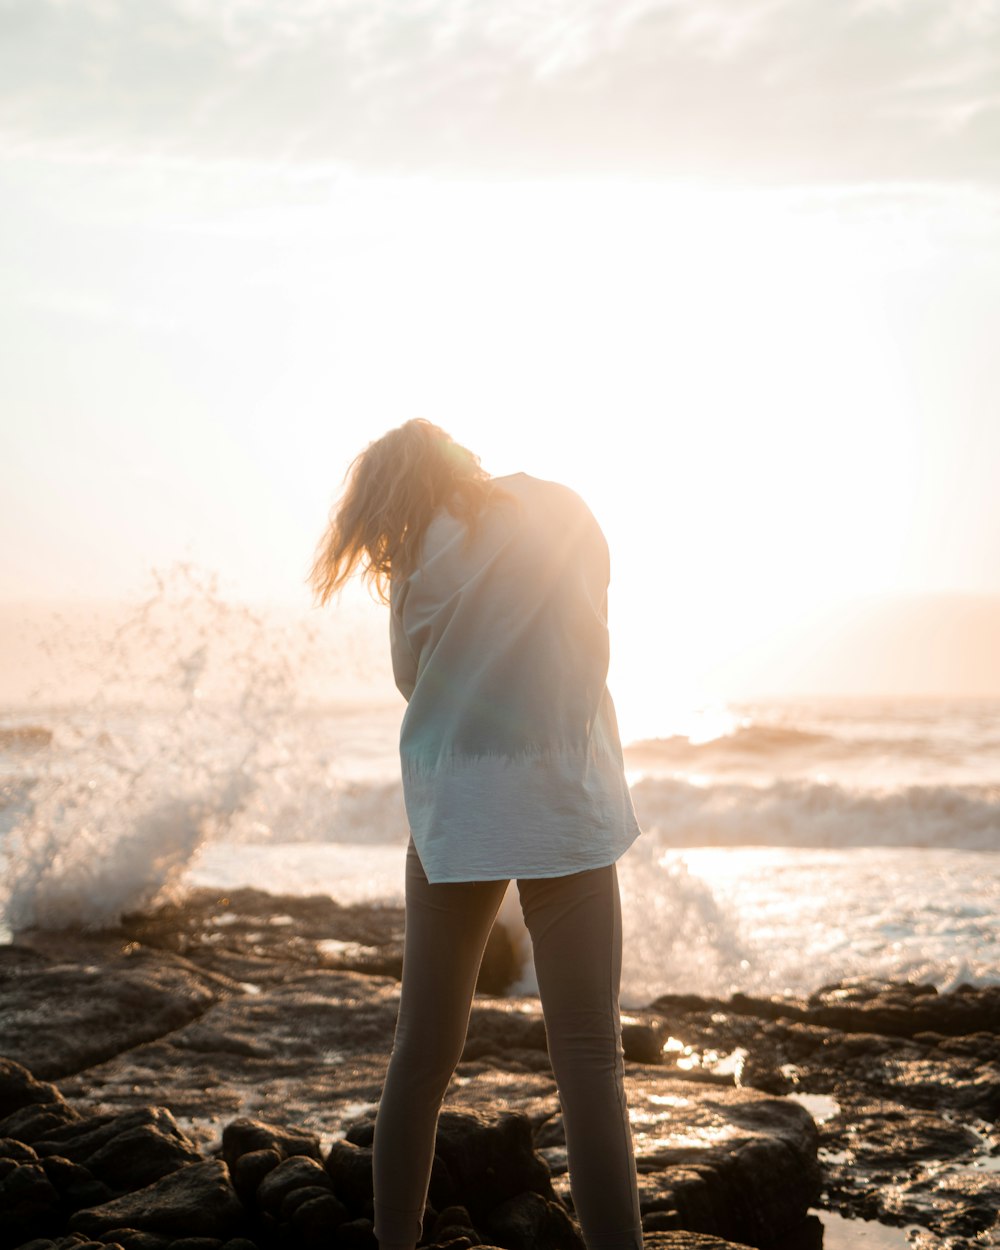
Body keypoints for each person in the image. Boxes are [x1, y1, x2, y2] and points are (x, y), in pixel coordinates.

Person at [310, 419, 644, 1250]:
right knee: (590, 1067)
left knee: (420, 1057)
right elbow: (596, 621)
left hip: (454, 812)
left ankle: (396, 1243)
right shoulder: (559, 507)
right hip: (561, 797)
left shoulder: (420, 555)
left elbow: (409, 680)